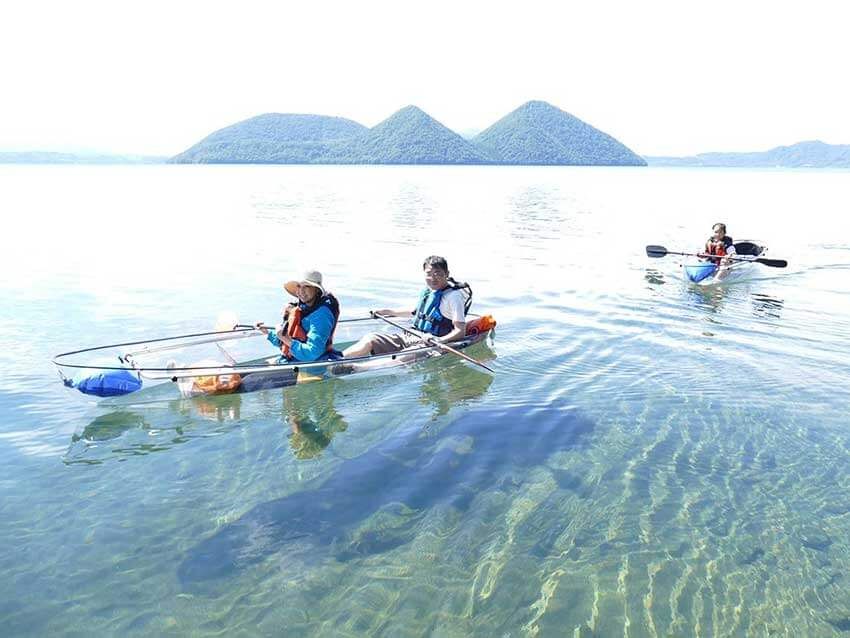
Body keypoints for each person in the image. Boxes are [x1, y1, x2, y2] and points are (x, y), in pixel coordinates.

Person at [342, 256, 471, 358]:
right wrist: (386, 312)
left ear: (447, 273)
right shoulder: (429, 290)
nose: (433, 278)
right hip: (412, 335)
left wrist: (439, 340)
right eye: (429, 274)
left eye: (437, 274)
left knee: (407, 355)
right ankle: (337, 360)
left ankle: (353, 369)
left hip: (431, 342)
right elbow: (415, 312)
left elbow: (460, 331)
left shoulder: (453, 297)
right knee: (371, 338)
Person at [258, 270, 341, 362]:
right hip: (293, 361)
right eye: (299, 286)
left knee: (251, 375)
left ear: (317, 290)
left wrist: (285, 339)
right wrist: (268, 332)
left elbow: (312, 352)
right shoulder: (300, 309)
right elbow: (286, 340)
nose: (301, 291)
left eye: (306, 286)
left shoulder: (322, 315)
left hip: (311, 367)